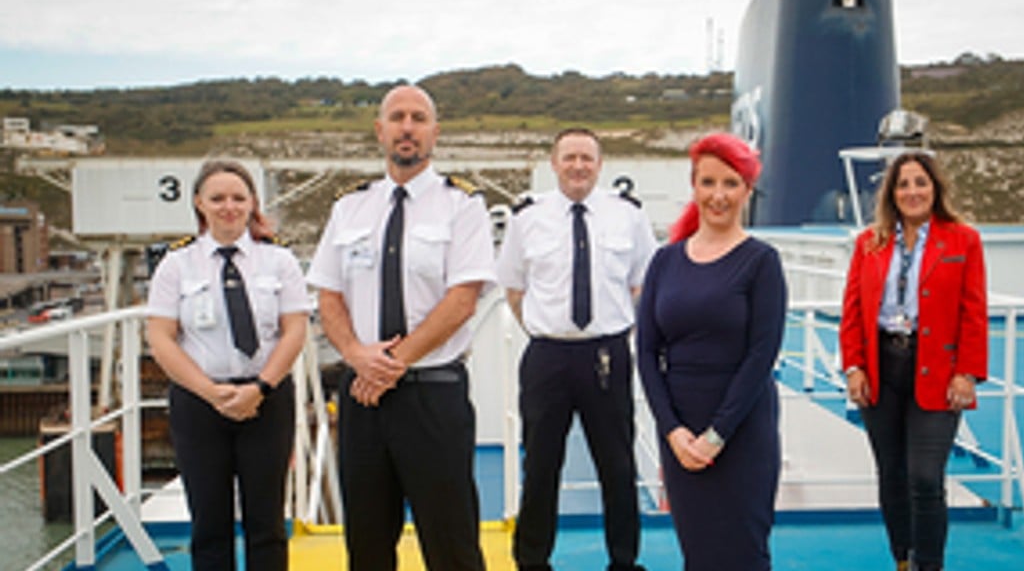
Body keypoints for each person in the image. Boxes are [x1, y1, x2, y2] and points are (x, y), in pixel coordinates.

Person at [306, 85, 495, 571]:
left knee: (452, 544)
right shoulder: (349, 207)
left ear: (434, 131)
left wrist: (390, 363)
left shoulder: (463, 205)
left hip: (433, 393)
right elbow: (329, 295)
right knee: (367, 543)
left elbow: (462, 300)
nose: (407, 127)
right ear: (380, 130)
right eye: (397, 117)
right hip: (363, 396)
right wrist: (355, 356)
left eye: (418, 118)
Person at [496, 127, 656, 571]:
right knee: (541, 466)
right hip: (547, 357)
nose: (578, 166)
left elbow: (642, 283)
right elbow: (514, 288)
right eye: (569, 157)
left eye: (587, 157)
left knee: (618, 466)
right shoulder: (527, 217)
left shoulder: (628, 215)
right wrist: (546, 331)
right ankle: (532, 561)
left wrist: (614, 330)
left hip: (607, 356)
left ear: (599, 164)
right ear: (554, 163)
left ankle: (624, 562)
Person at [146, 159, 310, 571]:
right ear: (199, 203)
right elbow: (161, 337)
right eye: (217, 198)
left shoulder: (280, 261)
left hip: (266, 401)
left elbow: (294, 330)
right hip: (199, 404)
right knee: (209, 524)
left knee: (267, 522)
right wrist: (211, 393)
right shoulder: (176, 264)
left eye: (238, 198)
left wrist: (261, 388)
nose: (229, 207)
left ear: (253, 202)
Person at [636, 133, 786, 571]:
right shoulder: (665, 262)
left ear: (748, 191)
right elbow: (646, 352)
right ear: (694, 186)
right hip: (681, 432)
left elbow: (761, 356)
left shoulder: (761, 262)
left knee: (743, 551)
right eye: (708, 182)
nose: (718, 195)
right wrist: (672, 431)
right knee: (698, 553)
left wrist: (716, 435)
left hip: (742, 430)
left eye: (730, 183)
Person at [840, 152, 987, 571]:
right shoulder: (869, 243)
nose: (912, 192)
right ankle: (902, 560)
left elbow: (973, 311)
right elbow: (852, 310)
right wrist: (854, 367)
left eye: (921, 182)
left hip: (938, 370)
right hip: (881, 367)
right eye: (903, 184)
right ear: (891, 193)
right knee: (891, 475)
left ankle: (929, 565)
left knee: (925, 476)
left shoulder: (963, 241)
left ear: (935, 188)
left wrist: (967, 373)